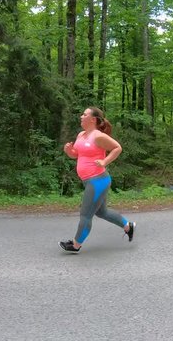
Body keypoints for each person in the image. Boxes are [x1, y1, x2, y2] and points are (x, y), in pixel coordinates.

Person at [59, 107, 136, 253]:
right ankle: (128, 226)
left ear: (93, 119)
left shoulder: (98, 136)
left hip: (98, 180)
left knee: (86, 214)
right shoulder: (81, 135)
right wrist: (70, 152)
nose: (81, 116)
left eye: (84, 114)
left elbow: (117, 148)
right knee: (102, 212)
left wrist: (105, 162)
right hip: (89, 180)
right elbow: (77, 154)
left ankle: (75, 245)